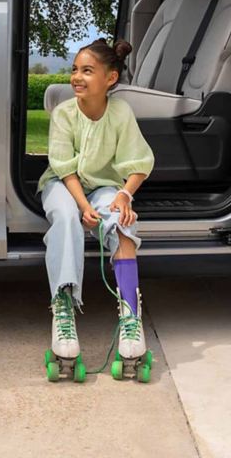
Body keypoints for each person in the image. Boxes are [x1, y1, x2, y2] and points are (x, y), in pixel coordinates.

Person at [38, 38, 155, 368]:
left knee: (121, 220)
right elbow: (63, 167)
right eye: (75, 70)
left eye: (87, 71)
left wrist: (124, 195)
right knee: (64, 215)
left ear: (110, 79)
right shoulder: (64, 113)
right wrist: (81, 206)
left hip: (104, 185)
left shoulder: (120, 113)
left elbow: (138, 162)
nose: (77, 77)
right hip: (64, 183)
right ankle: (63, 308)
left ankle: (131, 317)